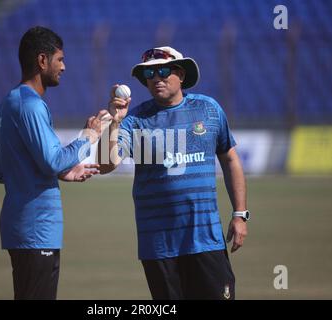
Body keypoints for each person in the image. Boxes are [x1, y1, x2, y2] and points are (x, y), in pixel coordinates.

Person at [98, 47, 249, 300]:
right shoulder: (135, 120)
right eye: (149, 73)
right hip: (158, 246)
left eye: (164, 70)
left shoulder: (209, 109)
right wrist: (113, 122)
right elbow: (105, 164)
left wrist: (240, 214)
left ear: (180, 73)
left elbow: (230, 159)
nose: (157, 77)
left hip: (206, 240)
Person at [0, 26, 109, 300]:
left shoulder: (7, 104)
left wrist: (60, 172)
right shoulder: (30, 105)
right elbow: (53, 159)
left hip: (21, 226)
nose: (64, 67)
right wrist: (88, 137)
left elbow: (2, 171)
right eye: (60, 59)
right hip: (36, 228)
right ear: (42, 60)